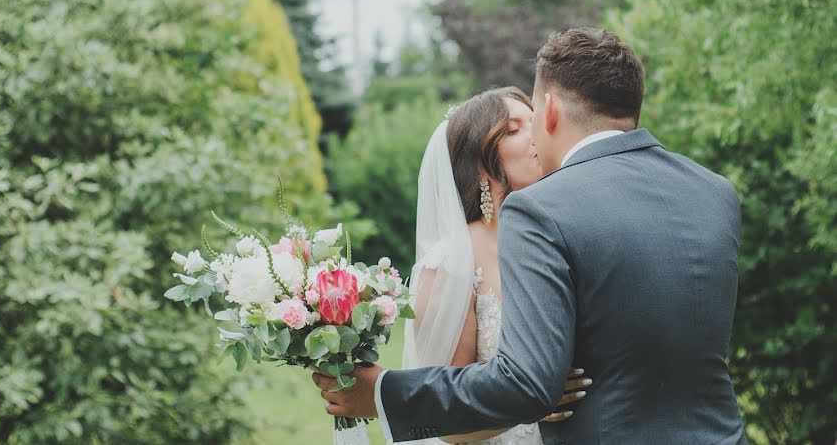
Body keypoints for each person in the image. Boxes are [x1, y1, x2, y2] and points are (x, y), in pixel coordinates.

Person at [314, 27, 747, 445]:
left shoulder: (542, 211)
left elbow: (526, 384)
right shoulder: (714, 193)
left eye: (532, 116)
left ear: (552, 110)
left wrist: (383, 393)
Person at [404, 86, 592, 444]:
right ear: (478, 163)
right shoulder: (451, 263)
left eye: (533, 121)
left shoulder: (567, 230)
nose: (535, 133)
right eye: (512, 129)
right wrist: (528, 403)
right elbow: (442, 415)